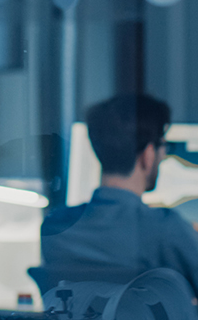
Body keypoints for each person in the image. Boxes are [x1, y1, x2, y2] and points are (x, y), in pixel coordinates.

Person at [40, 93, 198, 295]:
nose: (164, 154)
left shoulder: (56, 227)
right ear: (148, 154)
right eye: (163, 146)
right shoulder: (164, 230)